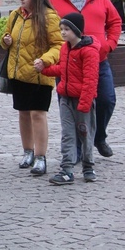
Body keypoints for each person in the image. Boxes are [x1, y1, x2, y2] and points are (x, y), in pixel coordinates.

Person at [48, 0, 121, 157]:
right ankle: (78, 150)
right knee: (71, 108)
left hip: (98, 61)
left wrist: (109, 44)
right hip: (68, 65)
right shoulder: (52, 0)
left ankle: (98, 137)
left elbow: (115, 22)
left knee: (107, 100)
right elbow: (43, 25)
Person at [1, 0, 63, 176]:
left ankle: (40, 156)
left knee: (38, 114)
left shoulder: (49, 18)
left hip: (39, 74)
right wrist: (5, 40)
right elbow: (7, 38)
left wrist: (45, 60)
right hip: (19, 73)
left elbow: (59, 45)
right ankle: (27, 151)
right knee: (23, 113)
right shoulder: (15, 15)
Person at [36, 13, 100, 184]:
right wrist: (44, 69)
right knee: (67, 134)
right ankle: (67, 169)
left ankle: (88, 166)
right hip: (65, 98)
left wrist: (85, 104)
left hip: (82, 101)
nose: (63, 33)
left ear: (77, 31)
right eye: (62, 29)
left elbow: (90, 79)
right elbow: (62, 70)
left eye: (67, 29)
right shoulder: (66, 48)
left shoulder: (89, 52)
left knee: (85, 134)